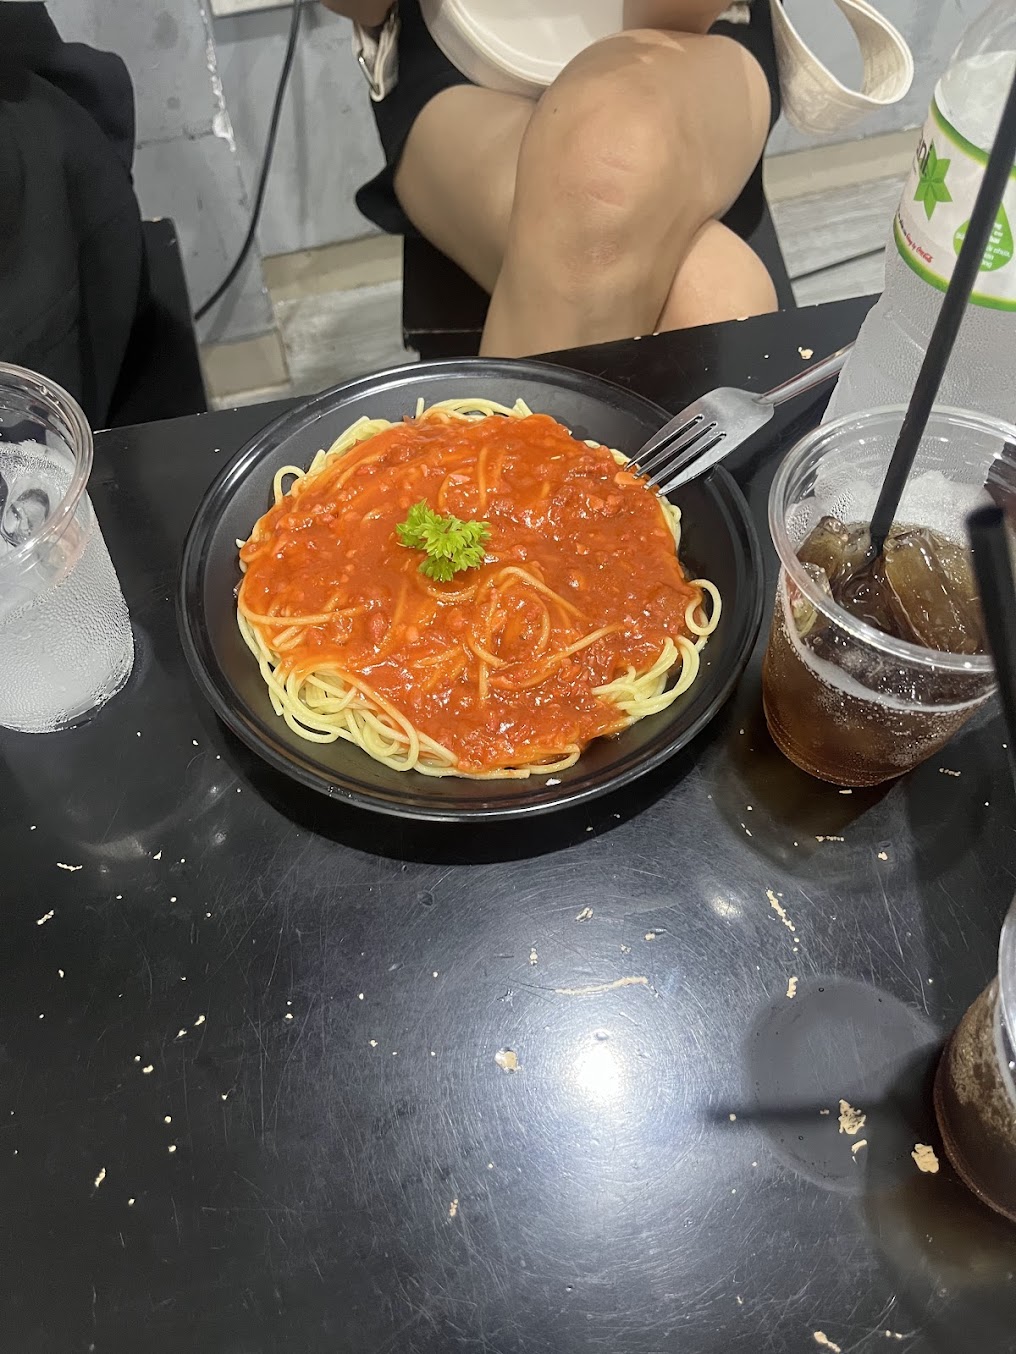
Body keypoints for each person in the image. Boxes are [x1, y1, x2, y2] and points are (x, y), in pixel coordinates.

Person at [326, 0, 779, 357]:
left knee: (608, 151)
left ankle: (502, 449)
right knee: (716, 296)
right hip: (454, 54)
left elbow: (668, 20)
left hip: (698, 37)